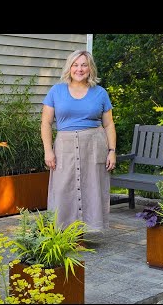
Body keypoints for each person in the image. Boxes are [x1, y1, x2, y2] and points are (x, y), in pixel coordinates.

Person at [41, 49, 117, 236]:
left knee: (92, 187)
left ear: (90, 68)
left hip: (94, 145)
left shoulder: (100, 93)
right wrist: (48, 151)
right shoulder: (56, 91)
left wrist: (112, 150)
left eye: (84, 65)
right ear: (70, 67)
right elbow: (46, 123)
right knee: (63, 188)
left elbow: (109, 124)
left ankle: (85, 231)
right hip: (64, 146)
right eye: (75, 64)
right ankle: (63, 233)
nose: (79, 69)